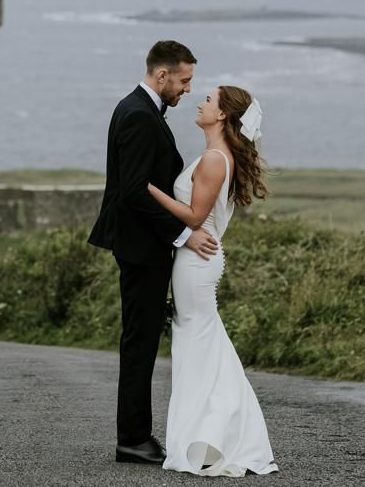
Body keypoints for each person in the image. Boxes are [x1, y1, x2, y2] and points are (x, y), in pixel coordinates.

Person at [88, 40, 220, 465]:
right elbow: (132, 192)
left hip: (142, 245)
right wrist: (183, 235)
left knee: (141, 339)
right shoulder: (139, 116)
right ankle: (132, 438)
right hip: (142, 248)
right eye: (183, 81)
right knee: (140, 341)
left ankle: (136, 434)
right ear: (161, 75)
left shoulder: (137, 109)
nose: (186, 90)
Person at [147, 85, 279, 476]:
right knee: (200, 343)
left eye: (209, 99)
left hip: (196, 261)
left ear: (222, 115)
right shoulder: (215, 157)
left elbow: (192, 216)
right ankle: (210, 435)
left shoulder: (214, 160)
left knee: (200, 344)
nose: (202, 103)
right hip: (196, 258)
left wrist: (148, 188)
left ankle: (216, 434)